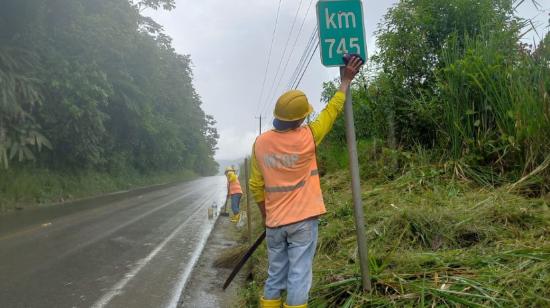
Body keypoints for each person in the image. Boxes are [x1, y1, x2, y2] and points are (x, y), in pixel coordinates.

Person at [249, 56, 364, 308]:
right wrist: (345, 80)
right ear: (300, 119)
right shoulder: (309, 136)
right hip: (302, 223)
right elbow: (332, 111)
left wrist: (266, 216)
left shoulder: (260, 143)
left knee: (275, 275)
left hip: (275, 223)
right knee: (299, 276)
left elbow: (256, 186)